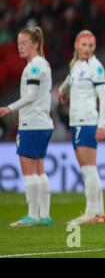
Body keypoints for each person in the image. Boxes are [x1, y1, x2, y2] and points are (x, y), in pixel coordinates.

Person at [0, 27, 53, 227]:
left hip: (32, 124)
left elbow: (31, 95)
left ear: (35, 44)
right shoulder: (42, 64)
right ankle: (44, 215)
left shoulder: (34, 66)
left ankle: (32, 215)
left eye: (24, 43)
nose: (20, 47)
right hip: (42, 123)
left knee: (28, 169)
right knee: (39, 168)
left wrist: (8, 108)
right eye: (18, 43)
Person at [58, 30, 105, 225]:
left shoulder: (96, 67)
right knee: (90, 168)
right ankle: (100, 212)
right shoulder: (76, 66)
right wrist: (62, 92)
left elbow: (103, 98)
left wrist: (102, 125)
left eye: (91, 46)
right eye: (84, 45)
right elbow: (68, 82)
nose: (87, 49)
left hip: (87, 121)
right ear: (76, 46)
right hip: (77, 122)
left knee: (88, 169)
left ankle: (90, 212)